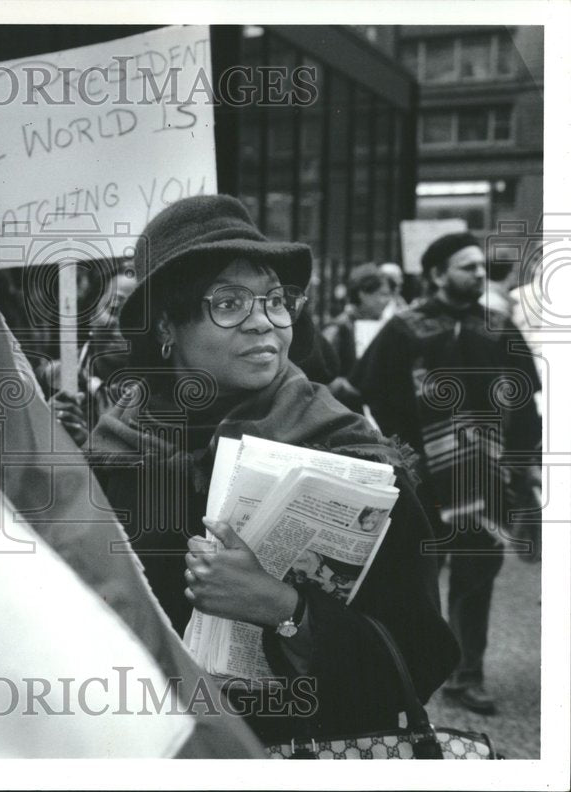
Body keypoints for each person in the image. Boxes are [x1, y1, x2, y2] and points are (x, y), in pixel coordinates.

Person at [87, 195, 458, 745]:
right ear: (166, 323)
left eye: (276, 300)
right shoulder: (111, 454)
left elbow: (422, 657)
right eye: (230, 303)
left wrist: (286, 610)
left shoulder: (353, 454)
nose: (264, 322)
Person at [351, 231, 542, 716]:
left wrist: (523, 465)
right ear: (437, 275)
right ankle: (412, 669)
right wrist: (406, 448)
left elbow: (524, 404)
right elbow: (367, 389)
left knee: (477, 578)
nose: (478, 273)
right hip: (425, 479)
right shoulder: (405, 329)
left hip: (486, 478)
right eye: (466, 266)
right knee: (415, 580)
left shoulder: (499, 327)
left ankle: (466, 675)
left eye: (481, 266)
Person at [42, 266, 137, 445]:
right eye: (114, 309)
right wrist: (44, 422)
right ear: (92, 312)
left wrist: (89, 446)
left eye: (136, 317)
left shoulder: (155, 396)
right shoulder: (48, 377)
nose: (123, 326)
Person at [322, 263, 393, 411]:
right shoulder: (339, 328)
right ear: (363, 294)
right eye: (382, 294)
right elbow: (322, 376)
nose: (387, 301)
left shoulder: (385, 325)